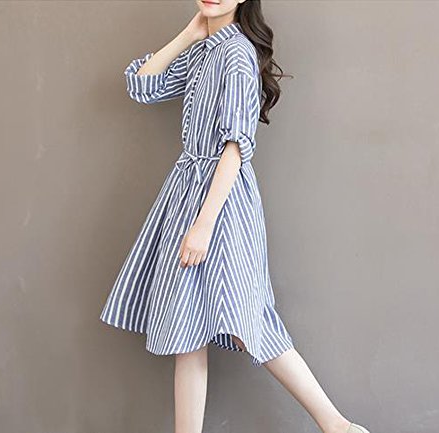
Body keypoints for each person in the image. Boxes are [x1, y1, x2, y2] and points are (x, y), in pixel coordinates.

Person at [100, 1, 371, 433]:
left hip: (220, 204)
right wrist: (189, 34)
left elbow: (236, 146)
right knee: (187, 327)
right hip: (188, 195)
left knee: (251, 319)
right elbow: (141, 85)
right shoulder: (204, 49)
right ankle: (337, 426)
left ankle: (337, 424)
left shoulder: (237, 54)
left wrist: (204, 225)